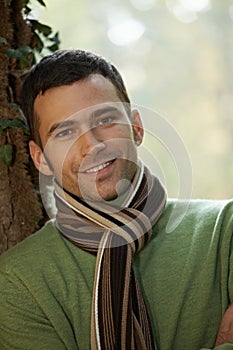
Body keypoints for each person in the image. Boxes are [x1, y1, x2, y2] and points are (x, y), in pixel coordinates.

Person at [0, 49, 233, 350]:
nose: (91, 145)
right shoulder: (19, 281)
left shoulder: (224, 231)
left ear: (136, 127)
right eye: (65, 132)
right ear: (40, 158)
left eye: (105, 119)